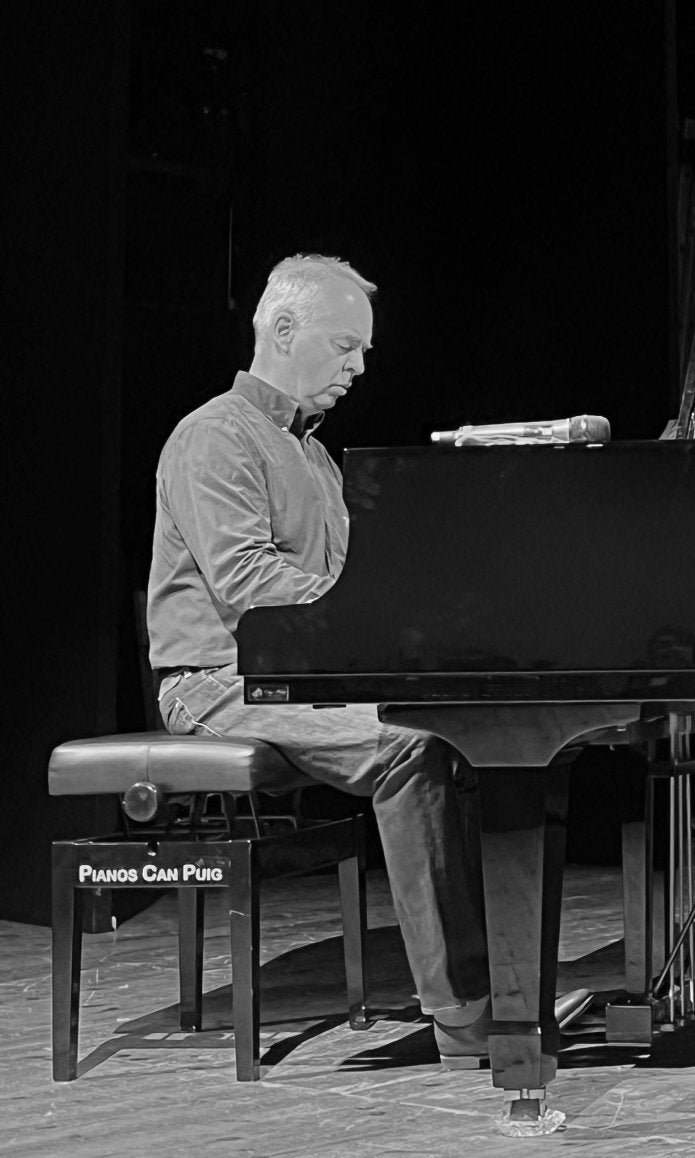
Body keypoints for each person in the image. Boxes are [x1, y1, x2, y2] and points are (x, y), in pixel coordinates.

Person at [145, 252, 491, 1063]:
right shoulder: (212, 437)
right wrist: (374, 622)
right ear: (285, 329)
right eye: (345, 346)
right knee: (411, 749)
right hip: (217, 682)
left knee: (471, 729)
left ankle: (502, 977)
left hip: (292, 675)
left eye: (364, 351)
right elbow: (246, 581)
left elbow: (343, 582)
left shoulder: (314, 455)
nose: (359, 367)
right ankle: (467, 1017)